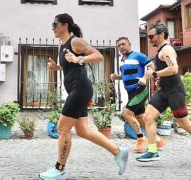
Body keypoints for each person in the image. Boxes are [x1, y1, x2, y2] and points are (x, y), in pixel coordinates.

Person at [39, 13, 129, 180]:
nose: (53, 28)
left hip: (80, 89)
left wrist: (79, 58)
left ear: (65, 25)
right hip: (76, 89)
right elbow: (70, 66)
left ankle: (59, 170)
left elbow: (99, 56)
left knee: (62, 129)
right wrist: (57, 67)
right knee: (83, 131)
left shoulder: (75, 41)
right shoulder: (62, 46)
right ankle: (118, 151)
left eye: (54, 24)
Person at [136, 23, 191, 162]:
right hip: (163, 92)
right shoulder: (159, 51)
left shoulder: (167, 50)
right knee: (147, 117)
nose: (149, 39)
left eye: (151, 36)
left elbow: (174, 69)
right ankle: (153, 151)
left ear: (161, 35)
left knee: (184, 124)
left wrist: (155, 74)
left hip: (174, 92)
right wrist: (156, 77)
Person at [110, 37, 164, 153]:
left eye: (123, 44)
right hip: (130, 92)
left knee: (127, 114)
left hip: (139, 89)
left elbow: (153, 67)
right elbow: (127, 75)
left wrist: (145, 78)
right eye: (119, 45)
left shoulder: (138, 56)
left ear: (129, 44)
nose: (121, 47)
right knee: (140, 117)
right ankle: (157, 140)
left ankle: (141, 138)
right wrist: (117, 76)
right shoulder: (123, 60)